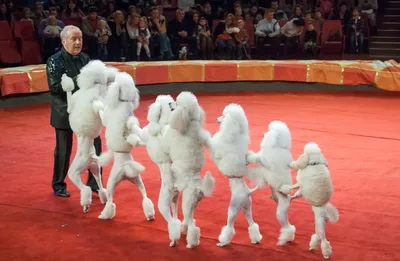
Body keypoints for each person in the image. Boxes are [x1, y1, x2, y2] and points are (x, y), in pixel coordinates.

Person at [46, 25, 102, 197]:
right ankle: (58, 184)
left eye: (80, 39)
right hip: (64, 111)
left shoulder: (85, 58)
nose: (78, 42)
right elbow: (55, 88)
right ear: (64, 41)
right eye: (74, 39)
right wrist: (79, 80)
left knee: (96, 145)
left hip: (85, 112)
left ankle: (94, 184)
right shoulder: (54, 61)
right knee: (64, 149)